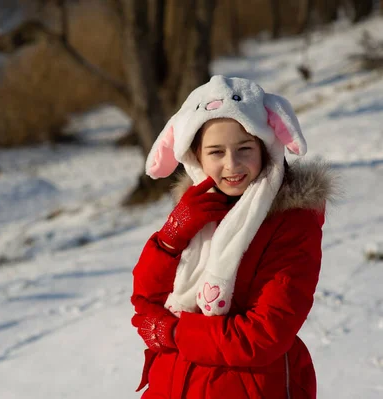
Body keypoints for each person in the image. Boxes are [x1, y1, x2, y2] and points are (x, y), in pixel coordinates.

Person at [131, 75, 336, 398]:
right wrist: (172, 235)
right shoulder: (196, 211)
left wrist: (173, 332)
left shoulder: (291, 221)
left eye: (244, 149)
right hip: (173, 384)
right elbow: (146, 301)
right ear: (195, 156)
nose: (231, 165)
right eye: (216, 152)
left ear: (266, 147)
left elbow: (262, 337)